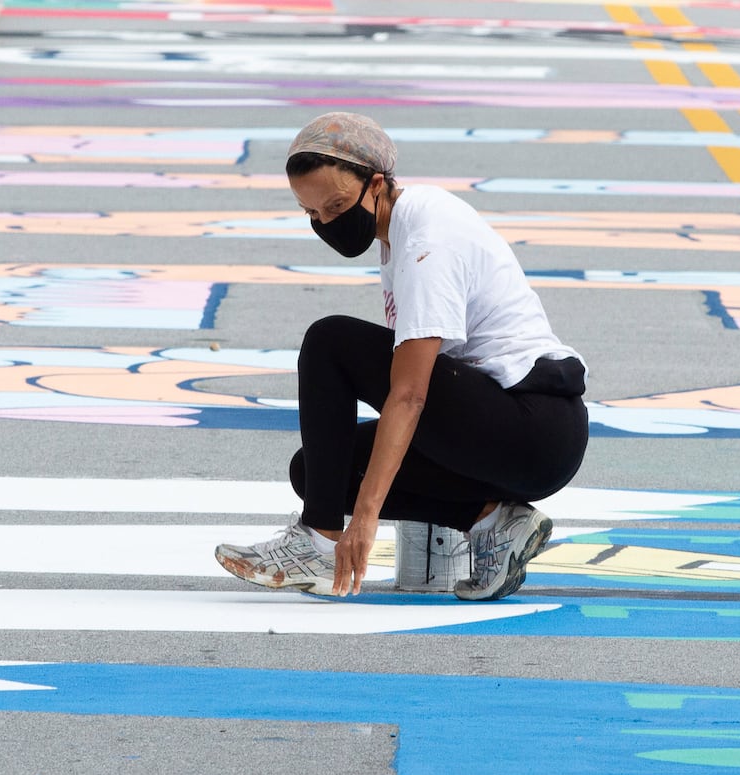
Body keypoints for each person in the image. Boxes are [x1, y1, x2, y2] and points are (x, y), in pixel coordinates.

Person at [215, 112, 588, 601]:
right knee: (318, 471)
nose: (327, 222)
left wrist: (364, 519)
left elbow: (410, 393)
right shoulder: (399, 233)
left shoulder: (425, 239)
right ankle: (497, 522)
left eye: (337, 204)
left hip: (534, 424)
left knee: (331, 341)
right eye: (313, 214)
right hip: (508, 433)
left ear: (376, 185)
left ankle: (317, 545)